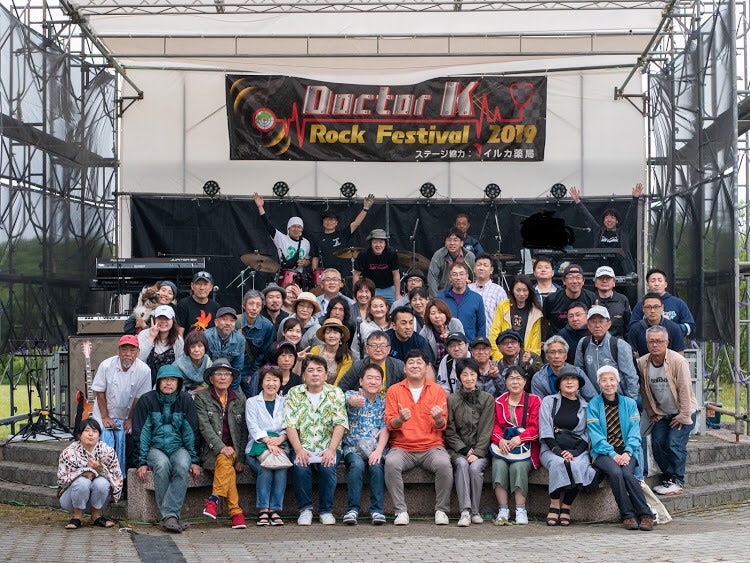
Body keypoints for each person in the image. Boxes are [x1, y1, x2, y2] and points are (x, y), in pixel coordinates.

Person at [384, 349, 452, 526]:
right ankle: (400, 511)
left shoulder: (437, 390)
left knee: (444, 464)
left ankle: (441, 510)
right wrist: (400, 419)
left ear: (427, 367)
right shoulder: (394, 390)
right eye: (411, 362)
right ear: (404, 368)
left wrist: (438, 418)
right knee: (391, 463)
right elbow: (390, 424)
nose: (415, 366)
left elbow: (442, 424)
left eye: (419, 362)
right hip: (402, 447)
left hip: (432, 446)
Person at [132, 364, 201, 533]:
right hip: (155, 448)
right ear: (158, 382)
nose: (168, 383)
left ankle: (168, 516)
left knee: (182, 465)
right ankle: (171, 516)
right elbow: (141, 433)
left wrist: (194, 460)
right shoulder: (147, 400)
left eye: (173, 380)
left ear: (179, 383)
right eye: (165, 380)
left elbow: (191, 432)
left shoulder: (185, 400)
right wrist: (141, 462)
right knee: (162, 465)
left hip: (179, 447)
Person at [283, 355, 348, 525]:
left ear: (326, 375)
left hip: (328, 446)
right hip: (303, 445)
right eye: (310, 370)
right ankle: (305, 509)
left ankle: (326, 510)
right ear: (304, 375)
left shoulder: (335, 393)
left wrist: (331, 450)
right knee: (300, 466)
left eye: (319, 370)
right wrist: (299, 450)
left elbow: (340, 423)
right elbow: (290, 425)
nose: (315, 374)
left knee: (328, 466)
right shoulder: (294, 393)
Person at [586, 365, 654, 531]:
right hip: (603, 452)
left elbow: (635, 432)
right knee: (616, 473)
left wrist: (628, 451)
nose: (608, 384)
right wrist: (612, 454)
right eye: (604, 380)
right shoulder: (593, 405)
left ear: (617, 382)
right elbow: (595, 436)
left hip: (626, 450)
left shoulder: (629, 403)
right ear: (599, 384)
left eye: (612, 379)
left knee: (627, 474)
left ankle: (645, 514)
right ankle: (628, 515)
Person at [637, 326, 698, 496]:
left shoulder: (678, 361)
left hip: (684, 411)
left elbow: (685, 389)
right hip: (662, 413)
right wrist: (651, 412)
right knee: (657, 443)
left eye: (659, 341)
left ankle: (678, 480)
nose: (655, 345)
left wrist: (684, 415)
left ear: (667, 342)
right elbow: (644, 390)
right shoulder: (642, 363)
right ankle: (669, 477)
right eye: (651, 341)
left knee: (674, 443)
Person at [539, 367, 598, 526]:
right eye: (565, 379)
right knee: (558, 463)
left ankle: (566, 506)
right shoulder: (548, 401)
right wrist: (560, 452)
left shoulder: (586, 406)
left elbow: (587, 434)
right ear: (559, 384)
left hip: (577, 449)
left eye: (573, 379)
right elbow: (545, 430)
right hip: (551, 448)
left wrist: (575, 452)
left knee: (578, 465)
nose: (570, 382)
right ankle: (554, 503)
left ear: (579, 384)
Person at [194, 358, 248, 529]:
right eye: (218, 374)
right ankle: (235, 512)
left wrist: (241, 458)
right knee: (225, 464)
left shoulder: (239, 398)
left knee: (227, 461)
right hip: (211, 451)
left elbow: (244, 431)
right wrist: (221, 448)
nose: (223, 377)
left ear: (231, 378)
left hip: (235, 451)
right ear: (211, 379)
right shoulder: (202, 398)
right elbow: (204, 427)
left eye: (226, 374)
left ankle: (214, 500)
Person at [91, 334, 152, 475]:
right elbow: (100, 392)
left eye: (132, 350)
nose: (128, 354)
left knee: (130, 440)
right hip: (103, 412)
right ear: (118, 351)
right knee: (101, 438)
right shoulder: (106, 365)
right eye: (124, 349)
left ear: (138, 352)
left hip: (127, 415)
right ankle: (100, 475)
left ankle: (122, 478)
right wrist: (105, 417)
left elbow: (138, 398)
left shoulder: (144, 370)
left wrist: (130, 419)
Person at [444, 358, 494, 526]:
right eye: (465, 375)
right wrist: (464, 450)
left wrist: (478, 452)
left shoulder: (487, 399)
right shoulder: (451, 399)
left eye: (472, 374)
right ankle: (465, 511)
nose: (469, 378)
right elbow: (449, 430)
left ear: (477, 376)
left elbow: (486, 429)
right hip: (458, 450)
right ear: (459, 377)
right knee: (462, 464)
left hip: (481, 450)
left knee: (475, 468)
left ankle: (475, 511)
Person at [491, 365, 541, 525]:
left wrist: (520, 438)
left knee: (518, 468)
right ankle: (503, 509)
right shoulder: (498, 402)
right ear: (505, 381)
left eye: (519, 378)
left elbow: (536, 428)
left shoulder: (534, 400)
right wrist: (500, 440)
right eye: (511, 378)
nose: (515, 382)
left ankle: (520, 509)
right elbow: (494, 426)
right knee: (498, 466)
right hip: (503, 448)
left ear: (525, 381)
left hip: (525, 448)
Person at [342, 364, 390, 526]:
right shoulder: (352, 394)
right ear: (361, 381)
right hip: (353, 448)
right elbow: (347, 400)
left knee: (376, 466)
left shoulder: (384, 402)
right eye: (369, 378)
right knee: (357, 466)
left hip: (375, 449)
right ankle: (352, 510)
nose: (373, 382)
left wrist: (379, 451)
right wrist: (354, 401)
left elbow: (385, 428)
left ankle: (377, 511)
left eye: (377, 379)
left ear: (382, 383)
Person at [57, 418, 123, 529]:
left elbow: (117, 477)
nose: (91, 434)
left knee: (102, 483)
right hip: (71, 499)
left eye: (94, 431)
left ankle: (96, 516)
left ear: (99, 435)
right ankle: (77, 517)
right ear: (79, 435)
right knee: (82, 482)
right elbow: (62, 480)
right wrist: (84, 473)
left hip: (98, 500)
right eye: (87, 430)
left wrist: (99, 469)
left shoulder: (107, 452)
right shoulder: (69, 452)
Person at [245, 365, 289, 526]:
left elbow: (289, 425)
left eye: (275, 380)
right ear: (261, 382)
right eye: (268, 380)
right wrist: (268, 441)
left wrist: (281, 438)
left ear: (280, 382)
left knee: (280, 467)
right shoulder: (252, 402)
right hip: (257, 447)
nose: (271, 384)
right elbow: (253, 427)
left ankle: (275, 510)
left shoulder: (285, 402)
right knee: (266, 468)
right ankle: (264, 509)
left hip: (280, 445)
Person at [569, 183, 641, 274]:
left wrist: (635, 199)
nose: (609, 220)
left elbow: (630, 216)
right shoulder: (598, 231)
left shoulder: (623, 232)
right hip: (601, 270)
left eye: (612, 217)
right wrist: (577, 201)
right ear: (603, 221)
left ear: (617, 221)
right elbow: (588, 217)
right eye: (606, 217)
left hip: (621, 270)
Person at [575, 305, 639, 400]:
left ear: (609, 324)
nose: (597, 326)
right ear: (588, 325)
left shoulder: (619, 345)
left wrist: (631, 401)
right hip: (593, 400)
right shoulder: (583, 343)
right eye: (593, 322)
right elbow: (579, 372)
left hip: (619, 399)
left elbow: (631, 376)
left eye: (601, 321)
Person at [253, 192, 318, 276]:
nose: (296, 229)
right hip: (284, 276)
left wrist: (305, 263)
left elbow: (308, 260)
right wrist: (260, 207)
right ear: (288, 228)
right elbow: (267, 225)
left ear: (302, 229)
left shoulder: (306, 243)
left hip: (299, 277)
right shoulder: (281, 238)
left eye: (299, 227)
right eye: (293, 226)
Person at [630, 268, 696, 338]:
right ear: (647, 285)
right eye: (653, 281)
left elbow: (691, 328)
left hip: (673, 343)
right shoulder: (640, 305)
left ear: (665, 284)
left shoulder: (678, 303)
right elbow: (632, 329)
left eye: (660, 280)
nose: (656, 284)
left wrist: (671, 327)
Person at [490, 275, 543, 360]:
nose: (521, 294)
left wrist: (529, 358)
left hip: (525, 359)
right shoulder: (503, 307)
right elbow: (494, 333)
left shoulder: (535, 312)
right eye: (518, 290)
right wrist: (499, 358)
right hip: (503, 357)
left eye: (525, 290)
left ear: (529, 291)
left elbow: (535, 344)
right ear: (512, 290)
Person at [317, 195, 374, 274]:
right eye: (326, 219)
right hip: (325, 274)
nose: (329, 222)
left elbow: (356, 223)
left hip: (342, 273)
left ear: (336, 223)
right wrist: (315, 273)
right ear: (322, 222)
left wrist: (365, 208)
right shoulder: (318, 238)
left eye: (332, 219)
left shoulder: (342, 234)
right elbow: (315, 257)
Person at [337, 330, 406, 393]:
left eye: (382, 346)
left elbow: (409, 387)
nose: (378, 349)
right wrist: (351, 398)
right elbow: (341, 388)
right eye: (374, 345)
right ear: (367, 348)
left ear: (388, 349)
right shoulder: (358, 366)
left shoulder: (399, 366)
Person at [531, 337, 597, 400]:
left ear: (566, 356)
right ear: (546, 356)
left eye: (560, 352)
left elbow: (592, 398)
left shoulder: (577, 372)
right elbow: (539, 403)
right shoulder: (538, 378)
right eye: (552, 352)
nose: (556, 356)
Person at [238, 291, 276, 397]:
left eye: (258, 305)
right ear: (244, 305)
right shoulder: (235, 322)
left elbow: (264, 353)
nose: (254, 308)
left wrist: (252, 373)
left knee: (251, 398)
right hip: (234, 369)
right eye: (251, 304)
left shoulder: (267, 326)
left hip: (252, 369)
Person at [542, 264, 597, 336]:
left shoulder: (591, 297)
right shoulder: (552, 299)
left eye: (578, 277)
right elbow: (544, 322)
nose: (575, 281)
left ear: (583, 281)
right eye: (570, 278)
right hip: (557, 339)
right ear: (564, 281)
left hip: (583, 338)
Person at [438, 261, 485, 343]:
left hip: (470, 345)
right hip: (447, 344)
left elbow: (481, 326)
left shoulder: (477, 298)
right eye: (454, 274)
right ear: (450, 277)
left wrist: (479, 345)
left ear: (467, 276)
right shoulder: (441, 298)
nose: (458, 277)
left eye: (461, 274)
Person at [137, 304, 184, 386]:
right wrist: (151, 337)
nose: (163, 321)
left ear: (173, 320)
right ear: (154, 319)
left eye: (167, 318)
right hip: (145, 382)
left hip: (169, 384)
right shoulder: (143, 335)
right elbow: (139, 359)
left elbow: (180, 365)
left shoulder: (178, 340)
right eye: (160, 318)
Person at [628, 292, 686, 357]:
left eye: (656, 307)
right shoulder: (635, 329)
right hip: (644, 362)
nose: (652, 310)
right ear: (643, 309)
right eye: (648, 307)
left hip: (669, 363)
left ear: (662, 307)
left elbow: (680, 355)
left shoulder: (674, 328)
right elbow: (631, 354)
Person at [353, 229, 401, 305]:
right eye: (375, 242)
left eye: (381, 242)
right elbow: (356, 274)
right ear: (371, 243)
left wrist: (397, 294)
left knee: (396, 307)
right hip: (369, 289)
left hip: (389, 288)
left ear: (385, 243)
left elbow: (396, 274)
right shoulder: (363, 254)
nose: (378, 245)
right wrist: (355, 295)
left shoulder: (391, 253)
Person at [428, 227, 476, 297]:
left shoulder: (470, 256)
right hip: (443, 293)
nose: (452, 243)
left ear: (462, 243)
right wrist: (435, 298)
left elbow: (475, 277)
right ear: (445, 242)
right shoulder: (439, 255)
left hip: (464, 293)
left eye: (455, 240)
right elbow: (432, 276)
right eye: (449, 240)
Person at [468, 252, 507, 331]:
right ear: (474, 269)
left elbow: (505, 318)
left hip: (491, 336)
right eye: (479, 265)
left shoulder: (499, 291)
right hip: (470, 336)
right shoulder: (468, 289)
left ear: (491, 270)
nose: (481, 268)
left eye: (485, 265)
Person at [420, 299, 464, 368]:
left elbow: (462, 347)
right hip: (435, 367)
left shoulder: (455, 324)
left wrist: (448, 340)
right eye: (433, 313)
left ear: (445, 313)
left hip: (457, 364)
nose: (437, 316)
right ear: (428, 316)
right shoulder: (425, 330)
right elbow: (425, 355)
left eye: (440, 312)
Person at [205, 306, 245, 380]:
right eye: (224, 319)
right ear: (216, 322)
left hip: (227, 378)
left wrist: (233, 387)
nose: (228, 323)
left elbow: (237, 368)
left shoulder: (240, 339)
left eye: (232, 320)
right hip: (208, 378)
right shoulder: (206, 337)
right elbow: (203, 366)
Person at [311, 317, 353, 385]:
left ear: (341, 335)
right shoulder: (316, 350)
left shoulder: (346, 357)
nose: (331, 336)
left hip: (336, 389)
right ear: (324, 335)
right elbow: (311, 374)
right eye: (328, 333)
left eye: (335, 333)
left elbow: (340, 381)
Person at [592, 266, 631, 338]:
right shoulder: (590, 299)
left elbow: (628, 327)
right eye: (601, 278)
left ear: (614, 282)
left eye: (608, 278)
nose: (604, 281)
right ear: (595, 283)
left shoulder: (622, 300)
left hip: (618, 342)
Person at [174, 329, 212, 394]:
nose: (196, 350)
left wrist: (205, 388)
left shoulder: (208, 361)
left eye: (200, 346)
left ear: (205, 347)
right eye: (192, 347)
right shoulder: (178, 365)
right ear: (187, 348)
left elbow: (212, 380)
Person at [350, 278, 376, 360]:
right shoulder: (349, 310)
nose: (363, 295)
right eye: (360, 291)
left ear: (372, 294)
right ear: (355, 293)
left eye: (367, 291)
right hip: (353, 350)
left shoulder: (376, 311)